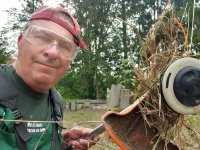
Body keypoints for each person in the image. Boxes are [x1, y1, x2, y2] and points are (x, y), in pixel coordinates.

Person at [0, 5, 99, 150]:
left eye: (65, 46)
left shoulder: (55, 101)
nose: (53, 52)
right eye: (43, 38)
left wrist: (62, 144)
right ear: (21, 40)